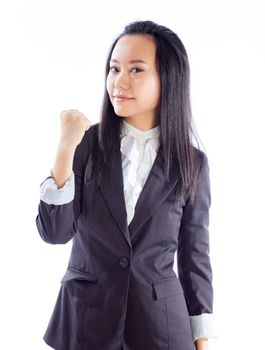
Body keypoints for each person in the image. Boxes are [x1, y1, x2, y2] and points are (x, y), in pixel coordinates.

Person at [36, 20, 217, 350]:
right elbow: (54, 231)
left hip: (161, 324)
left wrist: (201, 338)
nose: (119, 81)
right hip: (85, 319)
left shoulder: (192, 163)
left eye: (136, 70)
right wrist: (65, 148)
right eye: (114, 68)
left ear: (168, 77)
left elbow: (195, 257)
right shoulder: (86, 144)